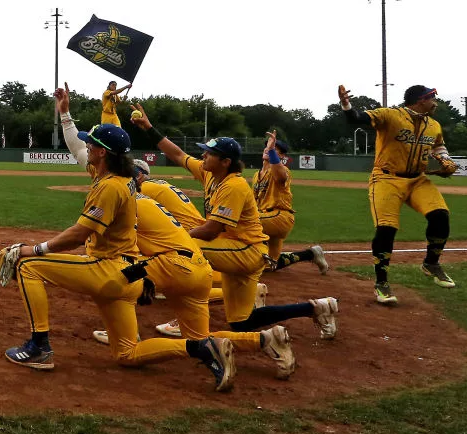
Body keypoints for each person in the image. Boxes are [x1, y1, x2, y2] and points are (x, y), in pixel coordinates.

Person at [0, 122, 237, 392]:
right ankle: (201, 347)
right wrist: (65, 115)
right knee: (126, 354)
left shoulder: (110, 186)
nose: (88, 146)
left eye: (93, 144)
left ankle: (39, 347)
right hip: (128, 274)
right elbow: (79, 150)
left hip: (107, 271)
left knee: (28, 266)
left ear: (103, 153)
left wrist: (35, 249)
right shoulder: (122, 180)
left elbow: (79, 234)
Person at [130, 103, 340, 374]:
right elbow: (178, 153)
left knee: (183, 250)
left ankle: (180, 310)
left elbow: (210, 230)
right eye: (204, 152)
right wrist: (148, 127)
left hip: (244, 251)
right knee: (241, 322)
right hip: (234, 250)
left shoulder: (234, 185)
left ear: (225, 161)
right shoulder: (210, 173)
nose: (203, 156)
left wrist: (174, 235)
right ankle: (316, 308)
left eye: (209, 153)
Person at [338, 84, 458, 304]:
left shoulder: (433, 125)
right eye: (433, 98)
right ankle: (381, 282)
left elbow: (438, 146)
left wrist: (446, 160)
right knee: (386, 228)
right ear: (421, 99)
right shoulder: (390, 115)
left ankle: (431, 263)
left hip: (417, 179)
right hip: (387, 177)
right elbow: (355, 119)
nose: (436, 103)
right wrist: (346, 105)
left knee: (440, 215)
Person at [253, 130, 329, 275]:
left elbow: (280, 177)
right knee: (269, 265)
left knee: (238, 222)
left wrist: (272, 153)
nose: (268, 149)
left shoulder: (283, 170)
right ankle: (311, 254)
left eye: (274, 149)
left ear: (281, 156)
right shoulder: (257, 175)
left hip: (279, 217)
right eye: (267, 147)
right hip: (264, 219)